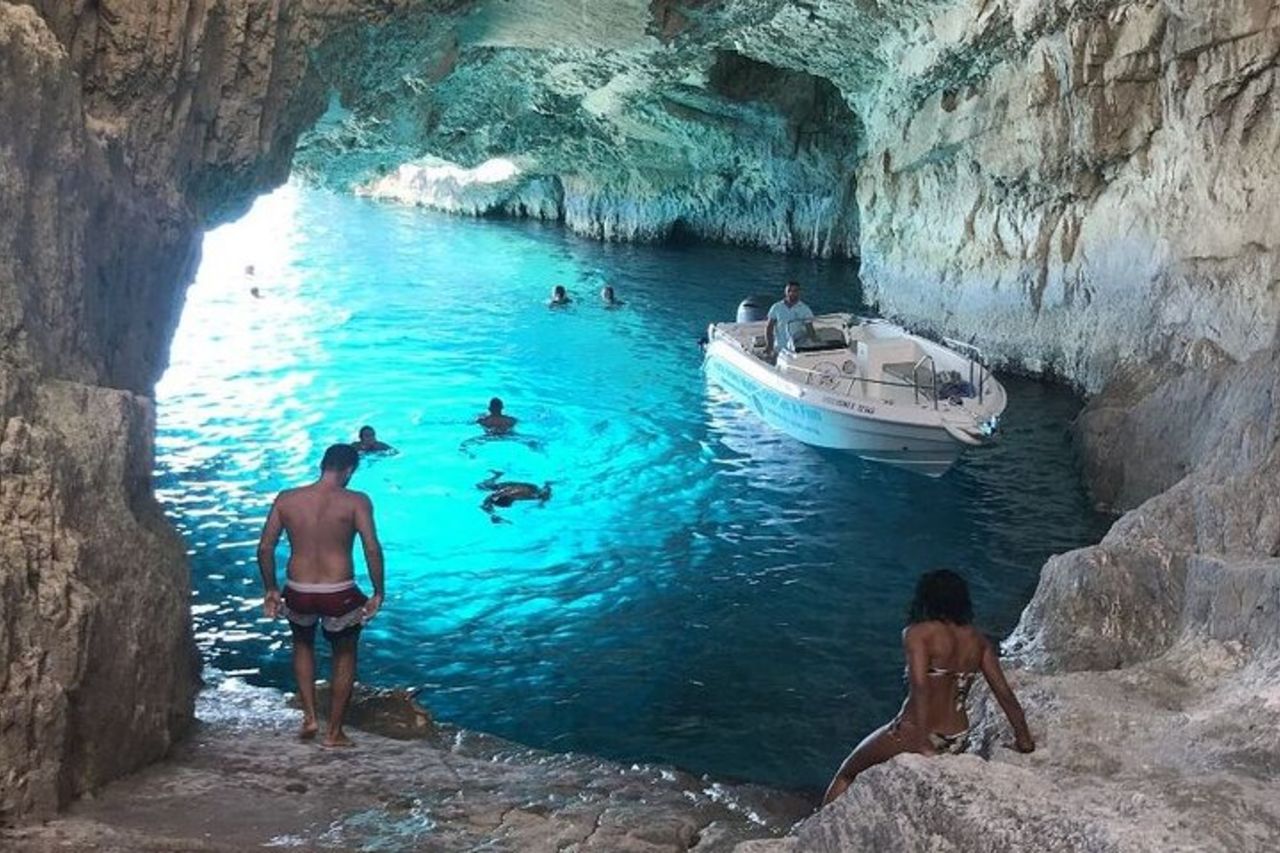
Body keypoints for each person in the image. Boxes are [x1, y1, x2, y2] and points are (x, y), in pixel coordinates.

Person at [822, 569, 1035, 806]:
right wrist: (1023, 738)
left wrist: (922, 740)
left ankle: (813, 833)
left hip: (917, 732)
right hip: (957, 737)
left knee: (848, 772)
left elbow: (920, 686)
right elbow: (1003, 691)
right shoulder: (978, 641)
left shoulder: (918, 634)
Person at [257, 444, 385, 747]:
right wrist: (379, 592)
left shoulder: (287, 499)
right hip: (337, 590)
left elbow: (264, 548)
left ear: (322, 465)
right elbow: (371, 548)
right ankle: (334, 732)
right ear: (350, 470)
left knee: (302, 644)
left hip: (298, 589)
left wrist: (271, 589)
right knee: (345, 653)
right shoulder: (356, 501)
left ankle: (311, 717)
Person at [476, 469, 552, 523]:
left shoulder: (532, 494)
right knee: (490, 489)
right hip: (514, 489)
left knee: (489, 488)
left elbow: (544, 494)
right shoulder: (532, 493)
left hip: (514, 490)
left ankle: (498, 475)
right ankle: (498, 475)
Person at [765, 280, 816, 358]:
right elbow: (769, 328)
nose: (791, 293)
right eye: (789, 291)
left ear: (799, 292)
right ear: (785, 292)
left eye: (795, 291)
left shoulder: (805, 309)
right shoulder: (776, 307)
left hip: (796, 349)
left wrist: (814, 344)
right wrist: (769, 346)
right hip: (779, 348)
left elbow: (810, 330)